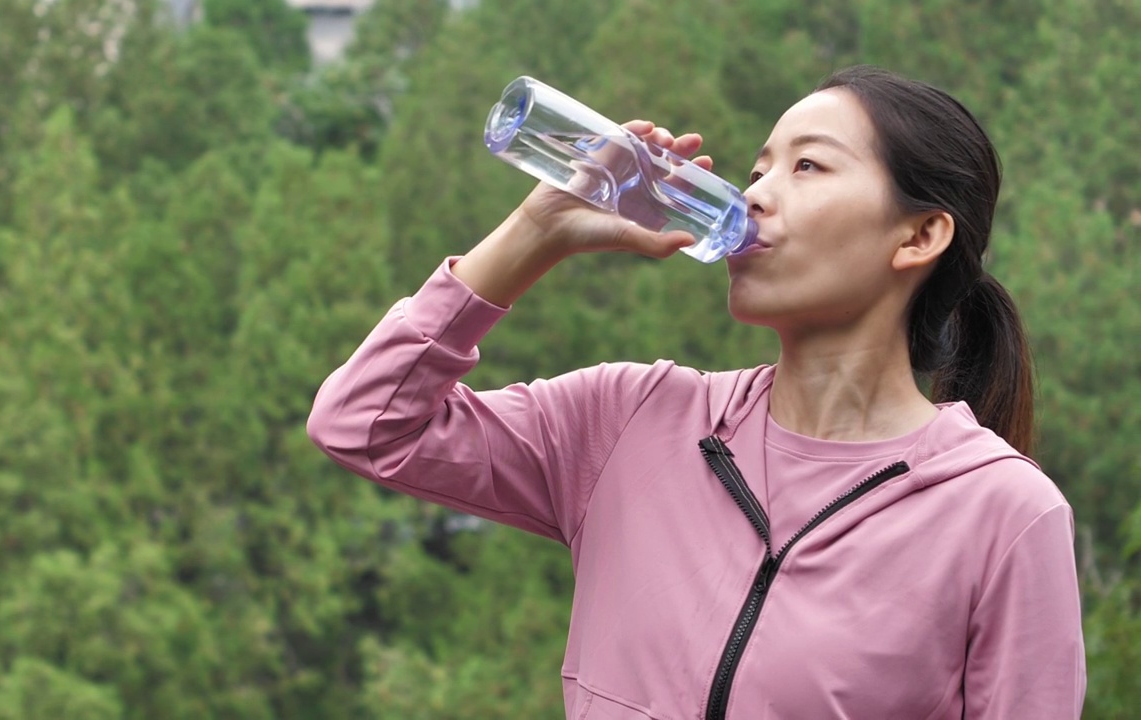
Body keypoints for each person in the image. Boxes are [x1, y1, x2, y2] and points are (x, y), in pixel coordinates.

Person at [307, 65, 1086, 719]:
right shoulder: (628, 421)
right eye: (757, 170)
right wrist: (533, 234)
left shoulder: (1002, 515)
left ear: (919, 236)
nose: (754, 196)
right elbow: (366, 423)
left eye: (807, 167)